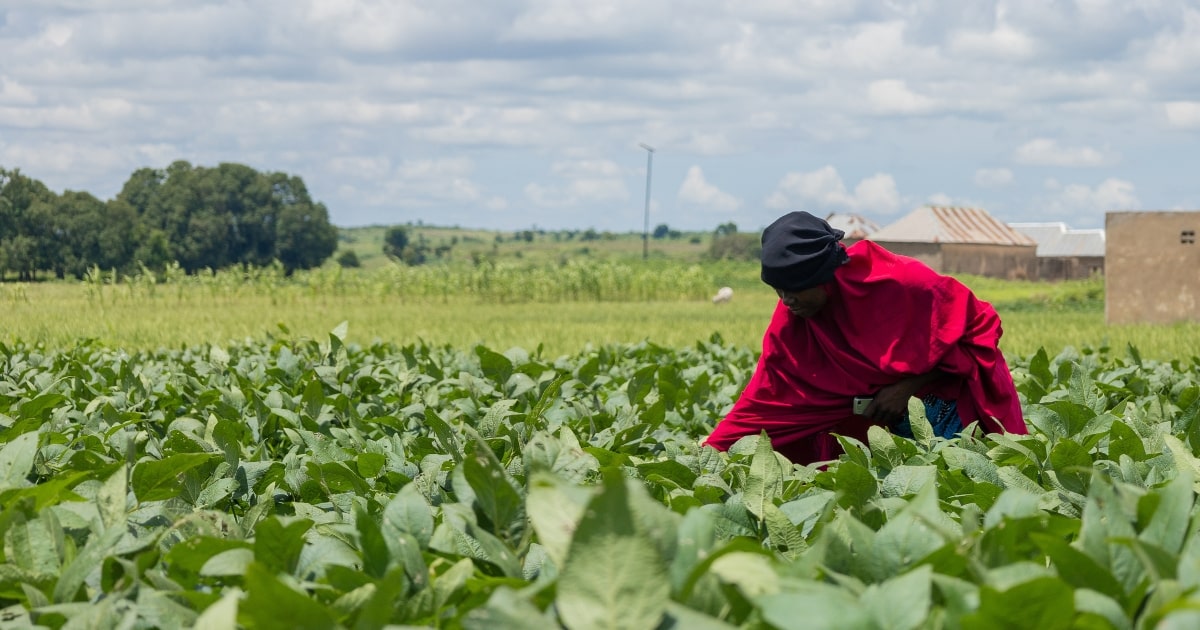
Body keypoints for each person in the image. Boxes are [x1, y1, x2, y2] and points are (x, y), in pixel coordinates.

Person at [704, 211, 1028, 464]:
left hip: (941, 404)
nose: (787, 300)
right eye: (778, 291)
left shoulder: (898, 283)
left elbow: (978, 328)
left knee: (954, 483)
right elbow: (763, 400)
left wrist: (906, 388)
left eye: (795, 289)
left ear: (822, 277)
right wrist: (709, 451)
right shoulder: (792, 321)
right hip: (871, 424)